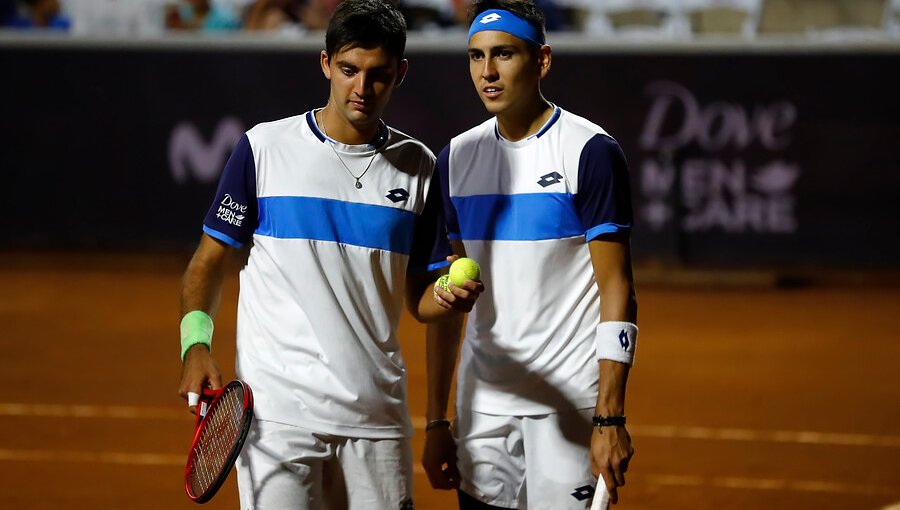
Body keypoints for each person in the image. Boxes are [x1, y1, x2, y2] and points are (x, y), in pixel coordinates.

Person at [177, 1, 482, 508]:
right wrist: (195, 344)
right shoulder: (263, 149)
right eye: (348, 70)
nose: (361, 89)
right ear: (325, 64)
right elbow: (208, 262)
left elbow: (421, 302)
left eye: (378, 75)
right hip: (277, 414)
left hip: (376, 418)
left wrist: (448, 296)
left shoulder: (421, 167)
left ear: (400, 74)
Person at [422, 0, 638, 508]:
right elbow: (450, 304)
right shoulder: (455, 158)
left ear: (541, 60)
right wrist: (436, 419)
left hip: (570, 402)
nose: (487, 72)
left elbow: (618, 288)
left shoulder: (590, 150)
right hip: (484, 406)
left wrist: (609, 416)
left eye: (504, 55)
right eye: (476, 57)